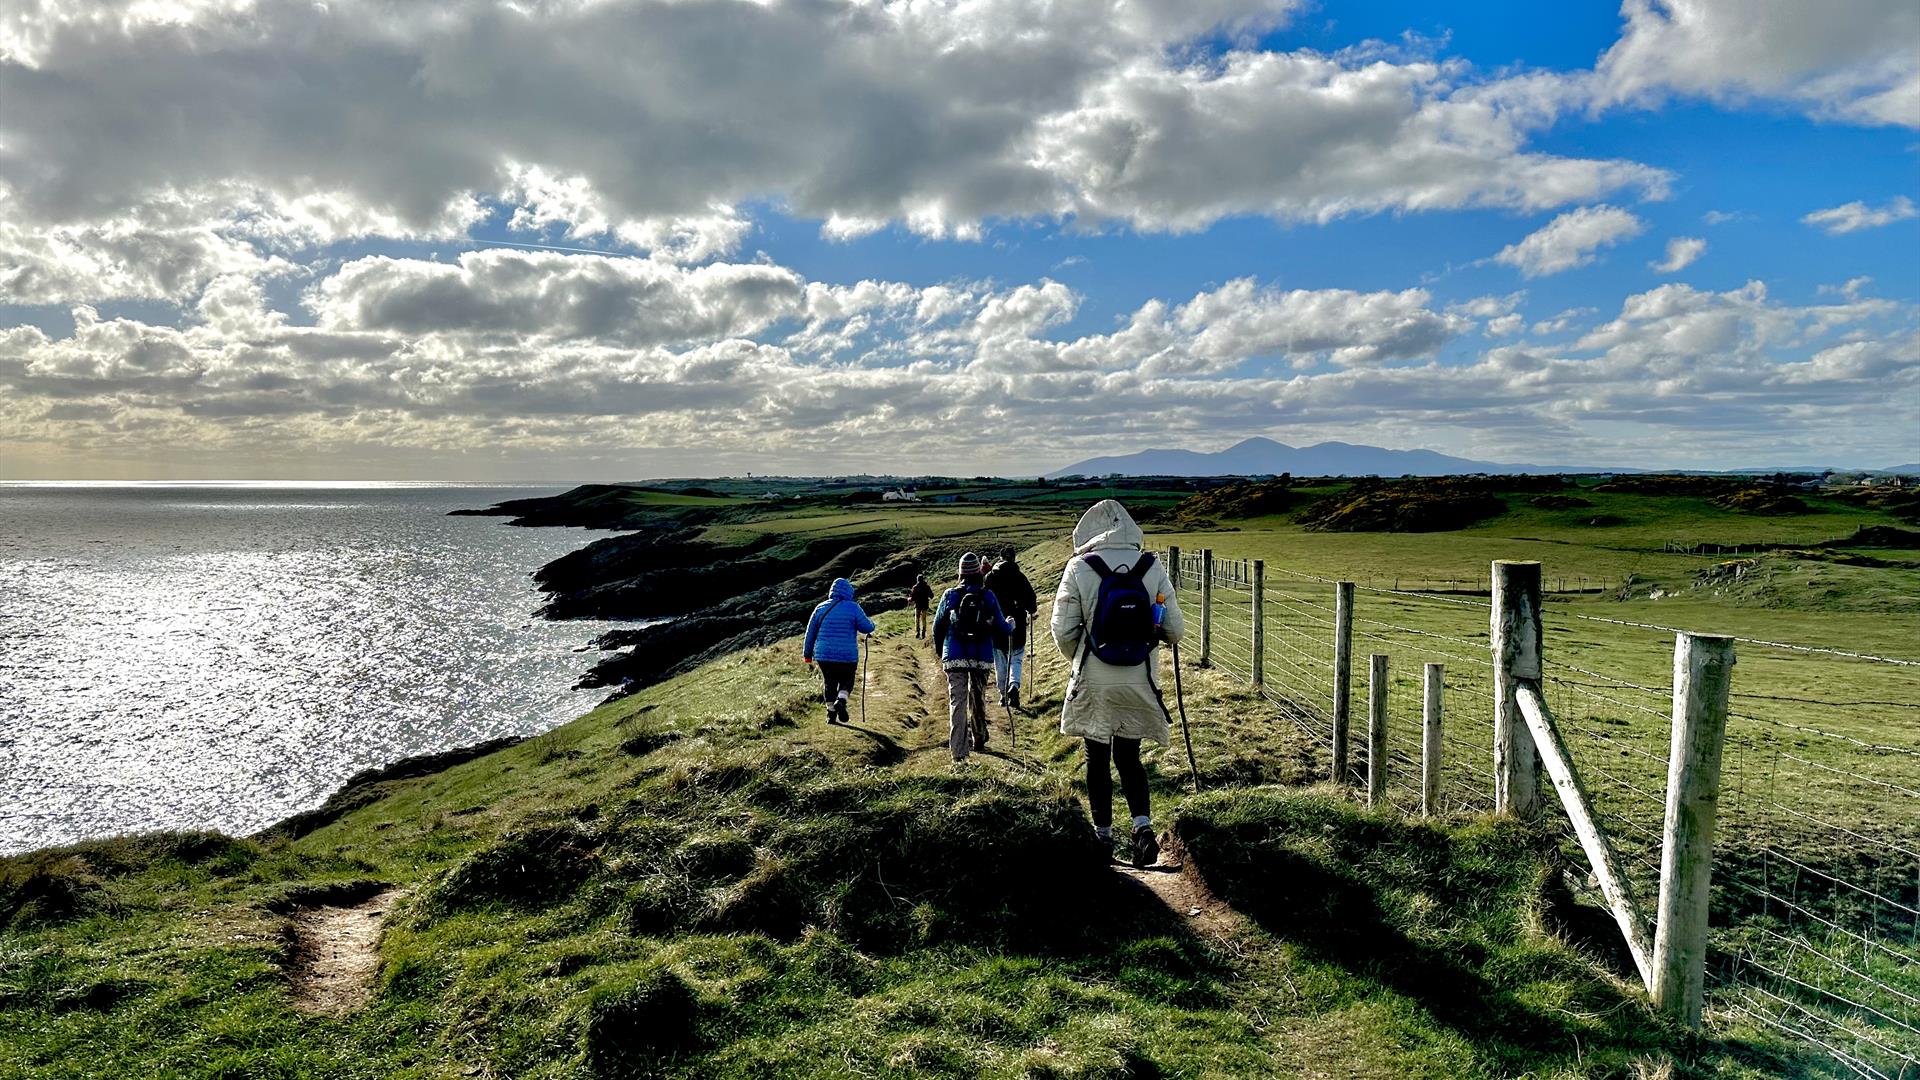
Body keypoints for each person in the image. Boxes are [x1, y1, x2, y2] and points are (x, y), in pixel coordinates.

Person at [1051, 500, 1184, 868]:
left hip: (1095, 677)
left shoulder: (1079, 567)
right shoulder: (1151, 566)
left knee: (1097, 756)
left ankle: (1103, 836)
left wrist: (1081, 658)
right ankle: (1142, 830)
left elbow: (1062, 629)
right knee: (1130, 756)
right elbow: (1175, 630)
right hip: (1140, 678)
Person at [932, 552, 1014, 763]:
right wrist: (1010, 624)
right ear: (979, 572)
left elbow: (937, 626)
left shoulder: (950, 595)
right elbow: (1001, 628)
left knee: (957, 702)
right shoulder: (988, 596)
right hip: (981, 655)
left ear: (960, 573)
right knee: (977, 697)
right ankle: (979, 738)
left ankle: (959, 752)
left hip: (955, 656)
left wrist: (942, 652)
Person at [803, 577, 876, 725]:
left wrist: (807, 655)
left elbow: (810, 632)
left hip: (824, 655)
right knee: (847, 681)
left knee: (829, 683)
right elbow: (867, 627)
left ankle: (831, 715)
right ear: (849, 591)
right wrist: (872, 624)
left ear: (832, 591)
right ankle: (841, 700)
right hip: (847, 655)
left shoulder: (820, 607)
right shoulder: (853, 607)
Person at [984, 549, 1038, 710]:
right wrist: (1029, 608)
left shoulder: (990, 578)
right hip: (1018, 625)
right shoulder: (1020, 577)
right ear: (1014, 559)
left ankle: (1003, 695)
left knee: (1000, 660)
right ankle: (1014, 685)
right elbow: (1032, 602)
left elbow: (985, 600)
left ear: (1000, 558)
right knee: (1016, 658)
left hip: (997, 626)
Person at [909, 572, 934, 640]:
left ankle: (917, 632)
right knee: (924, 619)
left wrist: (909, 599)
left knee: (917, 619)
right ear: (923, 579)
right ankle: (923, 632)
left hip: (918, 605)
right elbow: (931, 596)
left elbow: (912, 597)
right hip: (925, 605)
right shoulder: (927, 586)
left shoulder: (915, 587)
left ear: (917, 580)